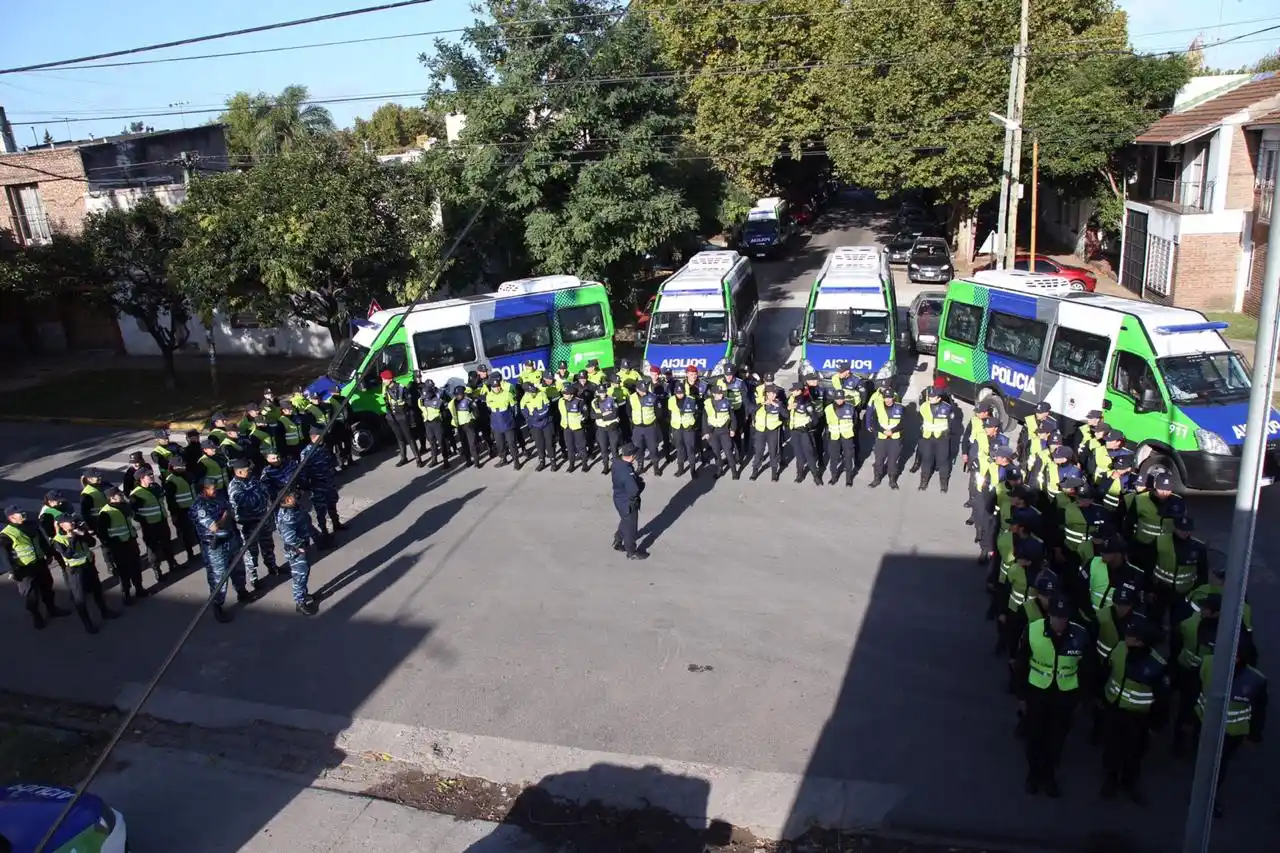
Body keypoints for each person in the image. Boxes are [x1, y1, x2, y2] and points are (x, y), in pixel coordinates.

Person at [1016, 595, 1091, 796]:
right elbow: (1021, 664)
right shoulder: (1033, 630)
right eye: (1056, 616)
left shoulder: (1081, 635)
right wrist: (1021, 696)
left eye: (1063, 617)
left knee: (1056, 741)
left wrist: (1080, 699)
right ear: (1049, 615)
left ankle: (1049, 776)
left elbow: (1086, 670)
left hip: (1065, 697)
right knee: (1034, 738)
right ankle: (1033, 775)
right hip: (1037, 693)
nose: (1059, 621)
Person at [1194, 633, 1267, 818]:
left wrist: (1254, 736)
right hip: (1204, 723)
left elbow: (1260, 710)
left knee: (1219, 767)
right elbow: (1195, 689)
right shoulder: (1208, 663)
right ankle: (1201, 793)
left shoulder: (1255, 680)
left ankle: (1209, 797)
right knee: (1203, 761)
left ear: (1239, 658)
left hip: (1230, 733)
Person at [1100, 615, 1169, 803]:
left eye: (1131, 635)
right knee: (1112, 748)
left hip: (1138, 717)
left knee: (1134, 752)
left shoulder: (1156, 665)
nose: (1126, 637)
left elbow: (1162, 700)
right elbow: (1106, 672)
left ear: (1141, 641)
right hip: (1115, 709)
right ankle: (1111, 779)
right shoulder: (1119, 649)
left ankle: (1128, 782)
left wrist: (1155, 726)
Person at [190, 478, 257, 623]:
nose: (215, 490)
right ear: (204, 490)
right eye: (212, 488)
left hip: (230, 540)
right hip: (215, 545)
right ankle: (218, 605)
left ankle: (242, 591)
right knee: (219, 577)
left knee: (238, 568)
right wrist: (225, 514)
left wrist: (226, 515)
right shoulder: (199, 506)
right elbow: (214, 527)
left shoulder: (219, 497)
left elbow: (231, 510)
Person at [2, 505, 71, 629]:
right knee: (31, 595)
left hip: (40, 563)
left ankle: (52, 609)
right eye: (20, 513)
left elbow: (42, 541)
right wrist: (13, 571)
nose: (24, 514)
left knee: (47, 587)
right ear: (11, 517)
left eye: (23, 511)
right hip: (24, 569)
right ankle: (36, 616)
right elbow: (5, 555)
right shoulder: (6, 535)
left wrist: (49, 553)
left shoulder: (32, 525)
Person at [50, 512, 119, 634]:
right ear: (61, 525)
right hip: (75, 571)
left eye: (72, 521)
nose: (72, 523)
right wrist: (72, 538)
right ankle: (87, 624)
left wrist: (83, 534)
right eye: (69, 522)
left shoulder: (78, 531)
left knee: (97, 591)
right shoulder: (58, 540)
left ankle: (105, 611)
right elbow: (68, 554)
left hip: (88, 566)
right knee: (80, 599)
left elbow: (92, 543)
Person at [227, 458, 281, 591]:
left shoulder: (253, 480)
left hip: (262, 519)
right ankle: (254, 578)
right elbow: (247, 502)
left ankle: (272, 566)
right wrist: (259, 498)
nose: (249, 471)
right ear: (238, 472)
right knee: (251, 552)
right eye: (246, 470)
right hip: (248, 524)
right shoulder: (235, 487)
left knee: (268, 545)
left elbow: (265, 492)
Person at [97, 488, 148, 604]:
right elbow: (102, 533)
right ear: (112, 498)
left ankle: (139, 589)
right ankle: (126, 595)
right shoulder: (106, 512)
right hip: (118, 547)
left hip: (130, 542)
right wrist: (111, 544)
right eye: (118, 494)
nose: (121, 495)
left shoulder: (124, 506)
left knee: (136, 567)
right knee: (124, 572)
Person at [130, 466, 179, 584]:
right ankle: (157, 571)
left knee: (167, 543)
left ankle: (172, 564)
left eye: (152, 474)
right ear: (141, 479)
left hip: (161, 521)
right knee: (153, 550)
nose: (152, 476)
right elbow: (133, 513)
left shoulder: (155, 487)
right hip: (149, 526)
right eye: (148, 475)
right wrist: (144, 521)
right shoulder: (136, 494)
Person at [276, 490, 319, 616]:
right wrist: (300, 547)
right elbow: (289, 538)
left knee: (305, 571)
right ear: (288, 500)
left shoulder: (296, 507)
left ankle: (303, 594)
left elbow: (306, 519)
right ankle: (299, 602)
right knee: (299, 575)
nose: (296, 497)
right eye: (292, 496)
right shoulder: (286, 517)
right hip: (296, 550)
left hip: (303, 544)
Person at [301, 427, 345, 546]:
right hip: (317, 486)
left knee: (332, 503)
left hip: (329, 482)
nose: (323, 438)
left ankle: (336, 524)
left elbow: (329, 461)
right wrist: (307, 485)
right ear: (313, 437)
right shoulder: (306, 452)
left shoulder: (323, 447)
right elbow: (303, 472)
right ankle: (325, 533)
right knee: (321, 511)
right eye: (320, 436)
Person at [611, 442, 647, 560]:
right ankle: (631, 551)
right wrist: (641, 484)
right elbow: (633, 490)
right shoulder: (627, 472)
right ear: (631, 456)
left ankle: (618, 539)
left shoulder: (618, 464)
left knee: (625, 520)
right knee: (631, 527)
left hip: (619, 499)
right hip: (628, 502)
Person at [380, 370, 424, 467]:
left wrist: (403, 404)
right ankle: (403, 458)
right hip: (391, 417)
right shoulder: (385, 388)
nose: (382, 380)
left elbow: (410, 402)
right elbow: (385, 400)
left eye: (384, 379)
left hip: (402, 416)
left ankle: (418, 459)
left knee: (410, 438)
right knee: (399, 438)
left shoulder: (401, 388)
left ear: (390, 379)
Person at [914, 386, 952, 492]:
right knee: (926, 460)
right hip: (928, 437)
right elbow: (920, 420)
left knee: (943, 461)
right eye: (929, 396)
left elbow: (951, 422)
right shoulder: (924, 407)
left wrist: (947, 433)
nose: (930, 398)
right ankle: (923, 482)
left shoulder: (947, 408)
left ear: (939, 398)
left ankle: (943, 484)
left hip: (942, 438)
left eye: (933, 396)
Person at [163, 457, 199, 563]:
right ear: (173, 467)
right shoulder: (170, 481)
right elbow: (170, 500)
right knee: (186, 535)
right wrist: (174, 514)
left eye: (183, 466)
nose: (183, 468)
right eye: (180, 466)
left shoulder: (189, 475)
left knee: (198, 531)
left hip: (194, 508)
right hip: (181, 512)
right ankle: (190, 554)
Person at [867, 387, 903, 489]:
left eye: (890, 397)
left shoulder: (900, 408)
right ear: (883, 398)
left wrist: (893, 430)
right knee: (879, 460)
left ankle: (892, 481)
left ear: (893, 398)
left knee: (892, 461)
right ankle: (876, 479)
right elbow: (874, 422)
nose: (888, 399)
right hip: (881, 438)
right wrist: (883, 431)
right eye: (886, 397)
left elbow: (904, 423)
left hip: (895, 438)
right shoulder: (878, 407)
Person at [787, 383, 822, 486]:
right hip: (794, 431)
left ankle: (816, 476)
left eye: (794, 390)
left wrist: (808, 427)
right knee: (798, 454)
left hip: (804, 432)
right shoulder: (791, 399)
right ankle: (800, 474)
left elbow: (815, 419)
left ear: (799, 390)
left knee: (809, 454)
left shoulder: (806, 402)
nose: (792, 392)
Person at [748, 385, 785, 482]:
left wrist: (778, 406)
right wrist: (762, 404)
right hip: (761, 430)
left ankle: (774, 473)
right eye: (769, 394)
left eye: (774, 394)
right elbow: (751, 410)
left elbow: (786, 415)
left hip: (772, 430)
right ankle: (754, 471)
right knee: (759, 451)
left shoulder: (778, 403)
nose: (772, 396)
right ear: (766, 394)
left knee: (773, 452)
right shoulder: (760, 402)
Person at [486, 374, 522, 468]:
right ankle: (503, 459)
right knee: (500, 444)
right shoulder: (489, 396)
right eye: (494, 387)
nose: (496, 388)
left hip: (508, 423)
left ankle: (516, 461)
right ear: (491, 388)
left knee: (512, 443)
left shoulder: (508, 394)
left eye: (498, 386)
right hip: (496, 424)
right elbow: (489, 408)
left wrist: (511, 419)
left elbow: (515, 408)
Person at [824, 389, 858, 487]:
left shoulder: (850, 408)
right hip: (834, 437)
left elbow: (855, 421)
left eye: (841, 398)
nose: (839, 400)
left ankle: (848, 479)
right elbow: (827, 423)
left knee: (848, 458)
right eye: (837, 398)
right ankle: (833, 478)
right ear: (834, 399)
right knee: (834, 458)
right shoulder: (828, 409)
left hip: (847, 436)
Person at [629, 378, 663, 476]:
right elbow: (628, 410)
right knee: (638, 448)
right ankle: (640, 466)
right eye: (642, 391)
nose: (644, 392)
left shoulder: (653, 397)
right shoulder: (631, 398)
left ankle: (656, 467)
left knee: (653, 448)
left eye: (645, 390)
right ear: (637, 389)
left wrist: (653, 421)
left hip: (650, 428)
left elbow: (659, 411)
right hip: (637, 428)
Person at [667, 382, 701, 477]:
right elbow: (670, 413)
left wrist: (693, 425)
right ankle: (680, 469)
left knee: (690, 449)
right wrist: (671, 427)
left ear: (685, 392)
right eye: (678, 393)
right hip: (677, 428)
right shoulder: (671, 400)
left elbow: (697, 413)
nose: (680, 394)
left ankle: (693, 470)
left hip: (688, 428)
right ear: (675, 392)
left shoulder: (691, 400)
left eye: (681, 392)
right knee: (680, 449)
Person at [703, 384, 738, 479]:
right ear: (713, 394)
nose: (721, 395)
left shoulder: (727, 402)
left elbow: (733, 418)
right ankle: (719, 470)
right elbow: (704, 419)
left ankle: (734, 471)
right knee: (716, 452)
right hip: (712, 431)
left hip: (724, 430)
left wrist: (733, 429)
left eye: (721, 393)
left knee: (728, 451)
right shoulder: (707, 403)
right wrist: (705, 432)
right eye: (718, 394)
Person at [418, 380, 451, 468]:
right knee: (431, 442)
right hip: (427, 422)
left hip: (437, 422)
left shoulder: (438, 400)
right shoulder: (421, 400)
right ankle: (434, 459)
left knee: (441, 441)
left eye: (427, 396)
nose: (426, 398)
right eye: (424, 396)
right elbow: (421, 408)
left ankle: (445, 460)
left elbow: (444, 410)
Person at [591, 384, 622, 475]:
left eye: (604, 392)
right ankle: (605, 466)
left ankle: (616, 467)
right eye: (600, 392)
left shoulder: (612, 400)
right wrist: (604, 414)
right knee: (603, 449)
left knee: (614, 448)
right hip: (601, 428)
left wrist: (601, 417)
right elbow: (592, 415)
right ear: (597, 392)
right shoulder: (594, 402)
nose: (602, 394)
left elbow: (615, 414)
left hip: (612, 427)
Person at [559, 385, 590, 473]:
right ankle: (571, 465)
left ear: (572, 394)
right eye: (564, 393)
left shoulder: (580, 402)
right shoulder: (561, 401)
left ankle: (585, 465)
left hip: (578, 428)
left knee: (582, 447)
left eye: (566, 394)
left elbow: (586, 414)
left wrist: (581, 421)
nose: (564, 395)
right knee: (570, 448)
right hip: (567, 428)